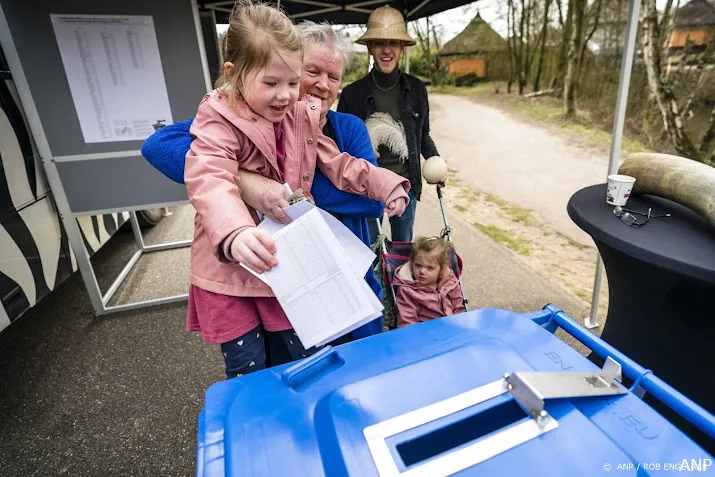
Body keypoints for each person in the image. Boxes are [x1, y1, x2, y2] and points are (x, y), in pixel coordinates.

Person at [182, 1, 409, 379]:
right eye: (274, 83)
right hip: (233, 266)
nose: (286, 94)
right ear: (233, 74)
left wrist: (387, 185)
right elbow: (207, 173)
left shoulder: (299, 116)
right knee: (249, 372)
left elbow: (340, 163)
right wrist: (235, 228)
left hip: (283, 263)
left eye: (290, 83)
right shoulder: (219, 117)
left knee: (303, 360)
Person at [141, 21, 387, 346]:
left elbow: (371, 201)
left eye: (333, 77)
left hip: (343, 275)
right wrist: (247, 182)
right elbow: (159, 145)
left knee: (357, 371)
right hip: (282, 279)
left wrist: (288, 190)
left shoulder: (348, 128)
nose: (323, 85)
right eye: (312, 72)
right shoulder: (244, 119)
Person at [338, 5, 442, 244]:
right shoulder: (352, 95)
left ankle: (398, 284)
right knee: (369, 251)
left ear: (402, 47)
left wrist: (436, 161)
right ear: (370, 47)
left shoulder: (417, 89)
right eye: (379, 43)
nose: (386, 50)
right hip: (367, 190)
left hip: (405, 187)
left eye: (393, 43)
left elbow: (422, 135)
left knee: (402, 250)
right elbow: (341, 148)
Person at [394, 237, 465, 328]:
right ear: (412, 264)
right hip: (425, 333)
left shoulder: (450, 282)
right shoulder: (408, 290)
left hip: (452, 328)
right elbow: (407, 322)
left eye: (430, 268)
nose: (422, 271)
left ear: (441, 269)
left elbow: (459, 308)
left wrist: (460, 327)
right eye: (418, 265)